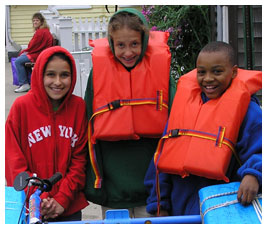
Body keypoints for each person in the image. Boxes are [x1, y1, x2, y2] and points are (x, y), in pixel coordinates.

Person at [145, 41, 262, 216]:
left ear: (234, 72)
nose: (208, 78)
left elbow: (260, 150)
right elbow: (161, 157)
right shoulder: (182, 107)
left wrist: (254, 174)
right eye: (201, 72)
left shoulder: (249, 112)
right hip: (181, 211)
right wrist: (159, 204)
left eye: (217, 71)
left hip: (225, 210)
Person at [84, 8, 176, 219]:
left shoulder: (161, 73)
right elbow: (88, 125)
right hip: (114, 187)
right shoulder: (97, 74)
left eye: (134, 44)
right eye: (121, 45)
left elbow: (176, 122)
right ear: (111, 44)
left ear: (144, 41)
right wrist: (96, 180)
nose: (128, 52)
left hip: (153, 187)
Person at [5, 46, 89, 221]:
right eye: (51, 74)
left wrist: (62, 199)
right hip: (30, 207)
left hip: (68, 205)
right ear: (39, 75)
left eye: (64, 75)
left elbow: (79, 161)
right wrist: (39, 200)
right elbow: (14, 162)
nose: (57, 82)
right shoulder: (21, 108)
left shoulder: (78, 108)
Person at [14, 12, 53, 93]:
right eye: (34, 20)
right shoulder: (43, 30)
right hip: (41, 53)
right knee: (21, 60)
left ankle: (24, 84)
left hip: (38, 55)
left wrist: (24, 51)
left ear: (41, 22)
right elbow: (34, 46)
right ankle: (29, 82)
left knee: (18, 61)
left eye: (37, 20)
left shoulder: (40, 32)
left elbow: (32, 46)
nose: (35, 22)